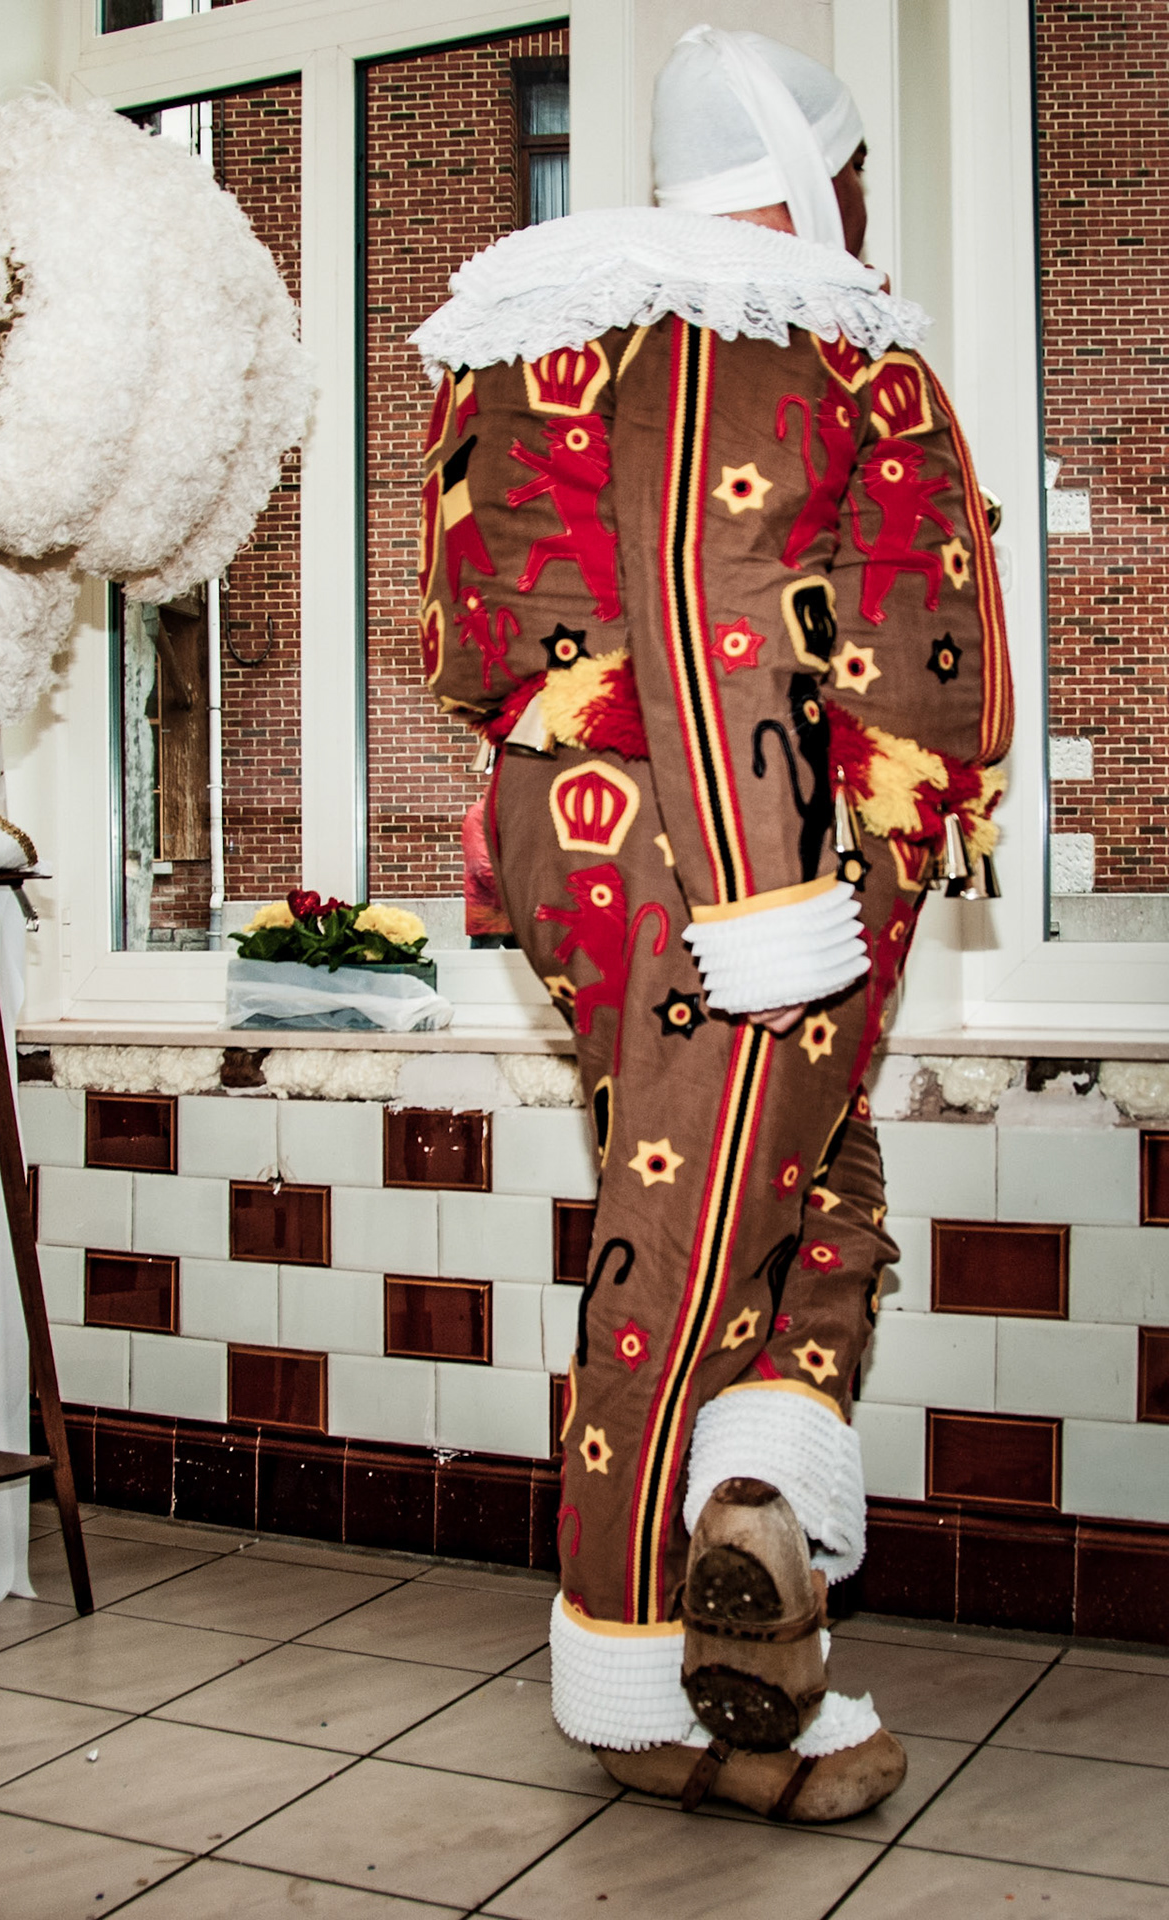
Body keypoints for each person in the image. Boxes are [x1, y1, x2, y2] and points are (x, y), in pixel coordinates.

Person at [412, 24, 1010, 1822]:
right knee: (679, 1257)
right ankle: (632, 1681)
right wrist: (769, 895)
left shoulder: (609, 319)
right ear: (810, 169)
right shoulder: (732, 320)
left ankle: (752, 1540)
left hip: (664, 842)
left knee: (805, 1198)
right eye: (855, 170)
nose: (866, 206)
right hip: (727, 852)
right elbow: (709, 585)